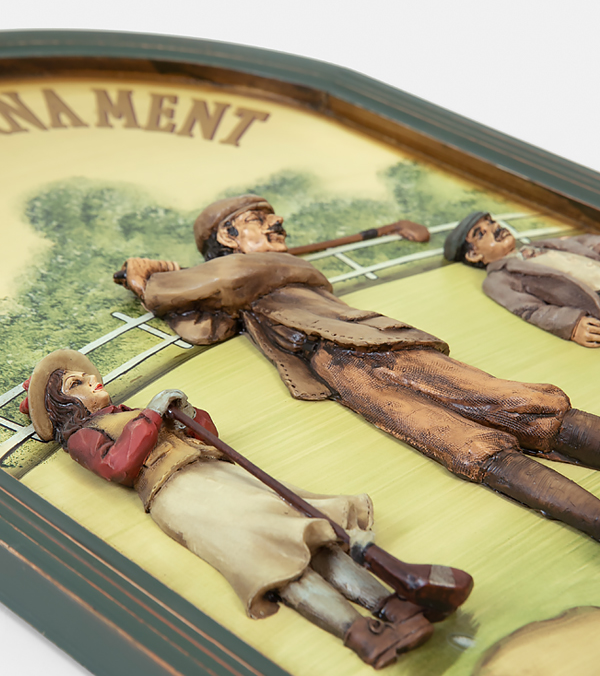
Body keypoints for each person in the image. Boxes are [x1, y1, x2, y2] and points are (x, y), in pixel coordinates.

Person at [114, 195, 600, 541]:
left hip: (374, 345)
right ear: (228, 235)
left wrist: (148, 283)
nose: (277, 223)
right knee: (459, 443)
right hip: (337, 368)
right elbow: (206, 326)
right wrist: (164, 285)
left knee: (513, 403)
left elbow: (196, 289)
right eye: (258, 220)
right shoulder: (238, 283)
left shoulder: (251, 270)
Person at [21, 348, 437, 669]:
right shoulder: (83, 436)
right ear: (64, 405)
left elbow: (207, 436)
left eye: (87, 376)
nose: (92, 380)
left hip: (215, 471)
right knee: (270, 555)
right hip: (179, 493)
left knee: (302, 528)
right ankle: (363, 633)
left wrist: (186, 414)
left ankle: (392, 605)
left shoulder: (127, 414)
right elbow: (119, 465)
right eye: (77, 383)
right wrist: (151, 415)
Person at [444, 211, 600, 347]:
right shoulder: (499, 278)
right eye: (481, 233)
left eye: (491, 222)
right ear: (473, 254)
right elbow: (530, 309)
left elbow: (584, 243)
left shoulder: (537, 245)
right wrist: (571, 323)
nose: (495, 227)